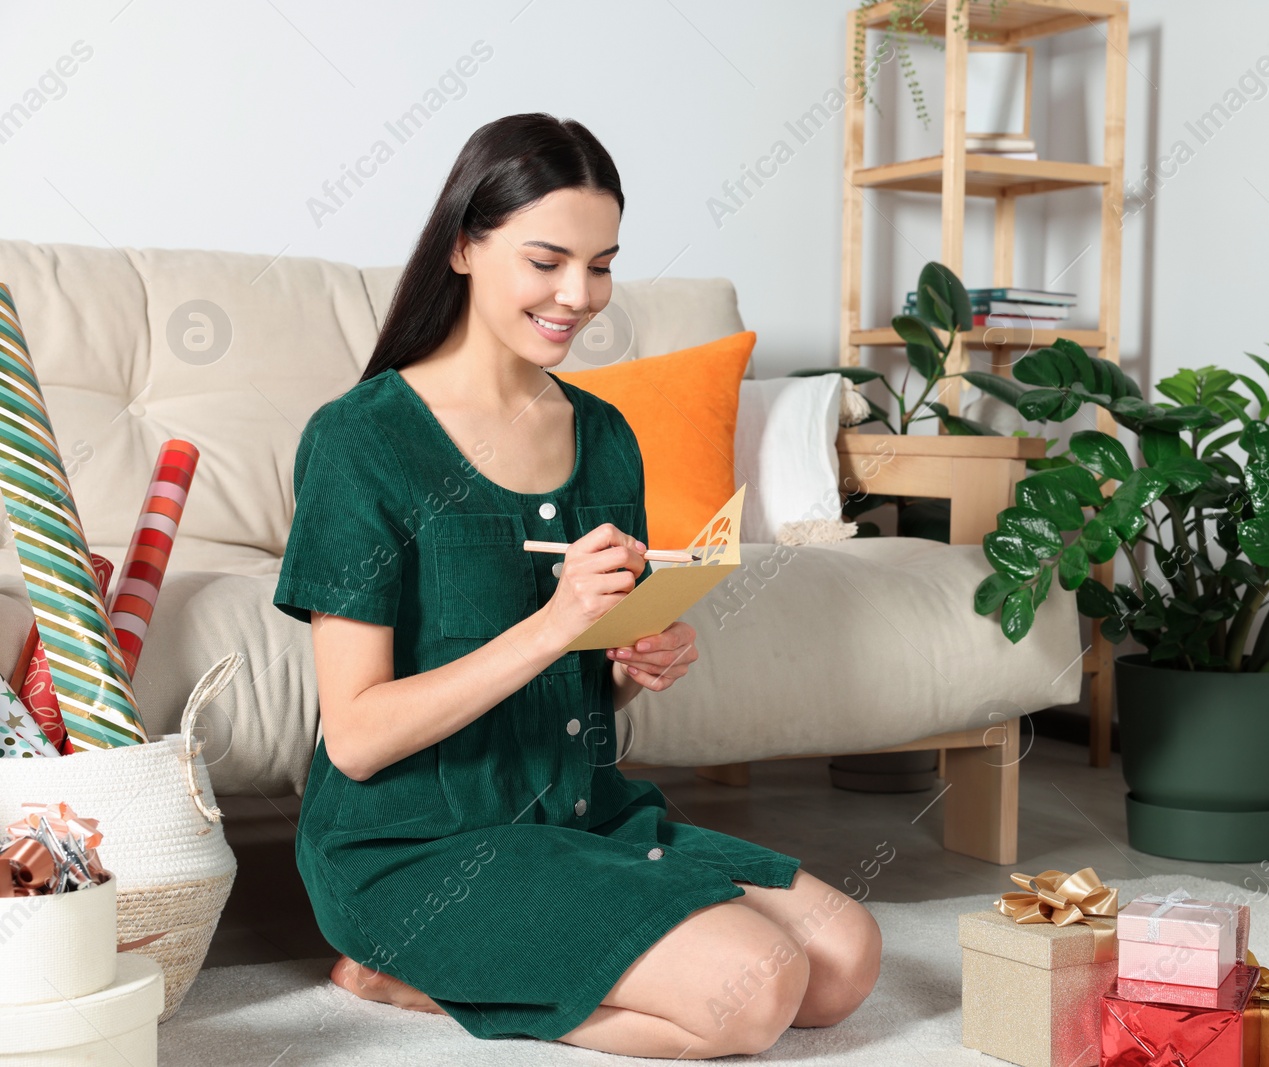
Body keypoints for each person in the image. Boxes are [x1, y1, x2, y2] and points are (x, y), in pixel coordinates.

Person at [271, 112, 882, 1058]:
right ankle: (399, 973)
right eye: (547, 260)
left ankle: (498, 965)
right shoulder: (361, 441)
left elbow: (590, 675)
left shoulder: (603, 434)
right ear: (466, 245)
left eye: (600, 265)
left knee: (845, 960)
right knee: (754, 995)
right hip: (418, 848)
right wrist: (556, 625)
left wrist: (639, 654)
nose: (578, 295)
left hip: (581, 813)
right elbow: (354, 737)